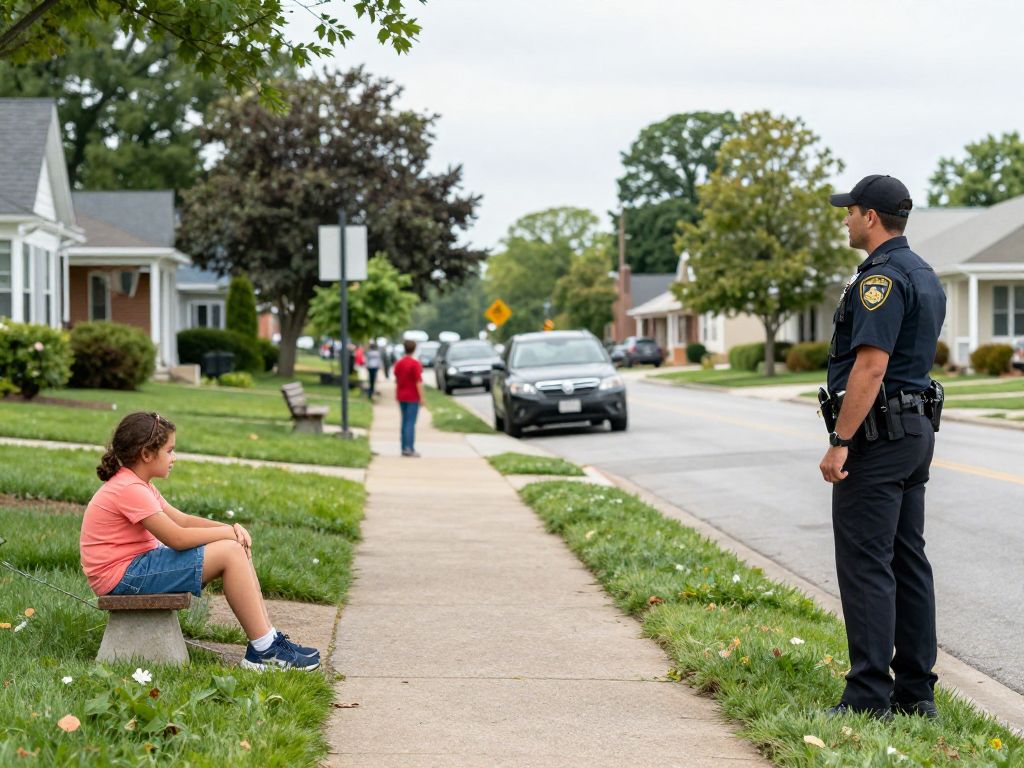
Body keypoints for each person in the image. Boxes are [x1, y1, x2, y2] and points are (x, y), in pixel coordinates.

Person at [820, 175, 945, 720]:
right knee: (907, 561)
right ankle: (916, 693)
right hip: (914, 433)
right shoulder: (923, 272)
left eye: (849, 211)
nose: (844, 219)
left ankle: (868, 697)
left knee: (867, 564)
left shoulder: (883, 279)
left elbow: (871, 367)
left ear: (870, 216)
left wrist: (840, 441)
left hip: (879, 436)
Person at [80, 411, 320, 671]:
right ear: (146, 454)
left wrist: (231, 529)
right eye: (169, 451)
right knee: (229, 552)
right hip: (123, 578)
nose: (174, 458)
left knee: (232, 547)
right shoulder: (129, 489)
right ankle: (264, 651)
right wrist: (227, 535)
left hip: (134, 569)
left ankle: (268, 642)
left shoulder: (138, 484)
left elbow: (182, 521)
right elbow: (177, 538)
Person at [393, 339, 425, 457]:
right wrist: (422, 397)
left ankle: (403, 447)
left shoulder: (399, 363)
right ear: (414, 349)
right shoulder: (415, 364)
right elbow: (418, 382)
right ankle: (409, 448)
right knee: (410, 423)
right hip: (412, 396)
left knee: (404, 421)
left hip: (401, 395)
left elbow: (396, 378)